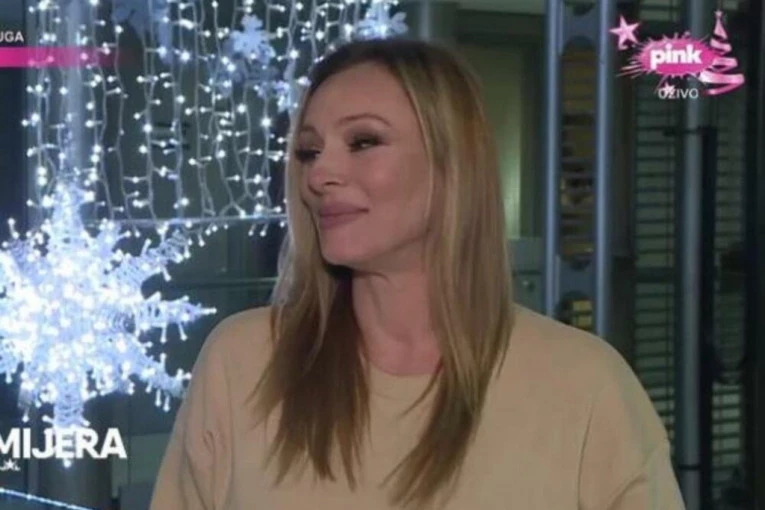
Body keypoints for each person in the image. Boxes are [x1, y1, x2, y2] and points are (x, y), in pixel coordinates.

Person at [149, 38, 685, 510]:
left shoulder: (586, 387)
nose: (320, 174)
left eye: (363, 142)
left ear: (452, 165)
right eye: (309, 151)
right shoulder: (242, 363)